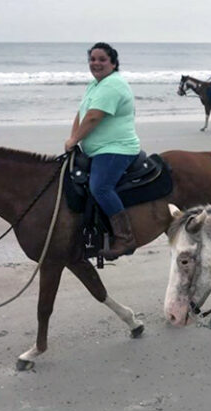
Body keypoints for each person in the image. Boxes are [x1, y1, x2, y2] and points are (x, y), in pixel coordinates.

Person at [64, 42, 140, 260]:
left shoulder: (112, 85)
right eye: (92, 59)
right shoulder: (95, 84)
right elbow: (82, 114)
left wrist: (74, 139)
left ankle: (125, 238)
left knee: (101, 187)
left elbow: (94, 116)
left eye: (102, 59)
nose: (96, 63)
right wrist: (73, 140)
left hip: (116, 148)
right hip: (97, 149)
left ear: (113, 63)